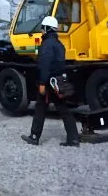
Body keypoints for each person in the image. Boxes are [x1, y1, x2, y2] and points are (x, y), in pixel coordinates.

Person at [21, 16, 80, 147]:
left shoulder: (46, 44)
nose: (41, 31)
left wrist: (42, 83)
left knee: (40, 108)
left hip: (49, 83)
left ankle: (34, 137)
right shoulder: (59, 44)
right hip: (58, 82)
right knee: (64, 110)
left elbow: (45, 65)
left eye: (43, 28)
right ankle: (73, 138)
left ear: (47, 29)